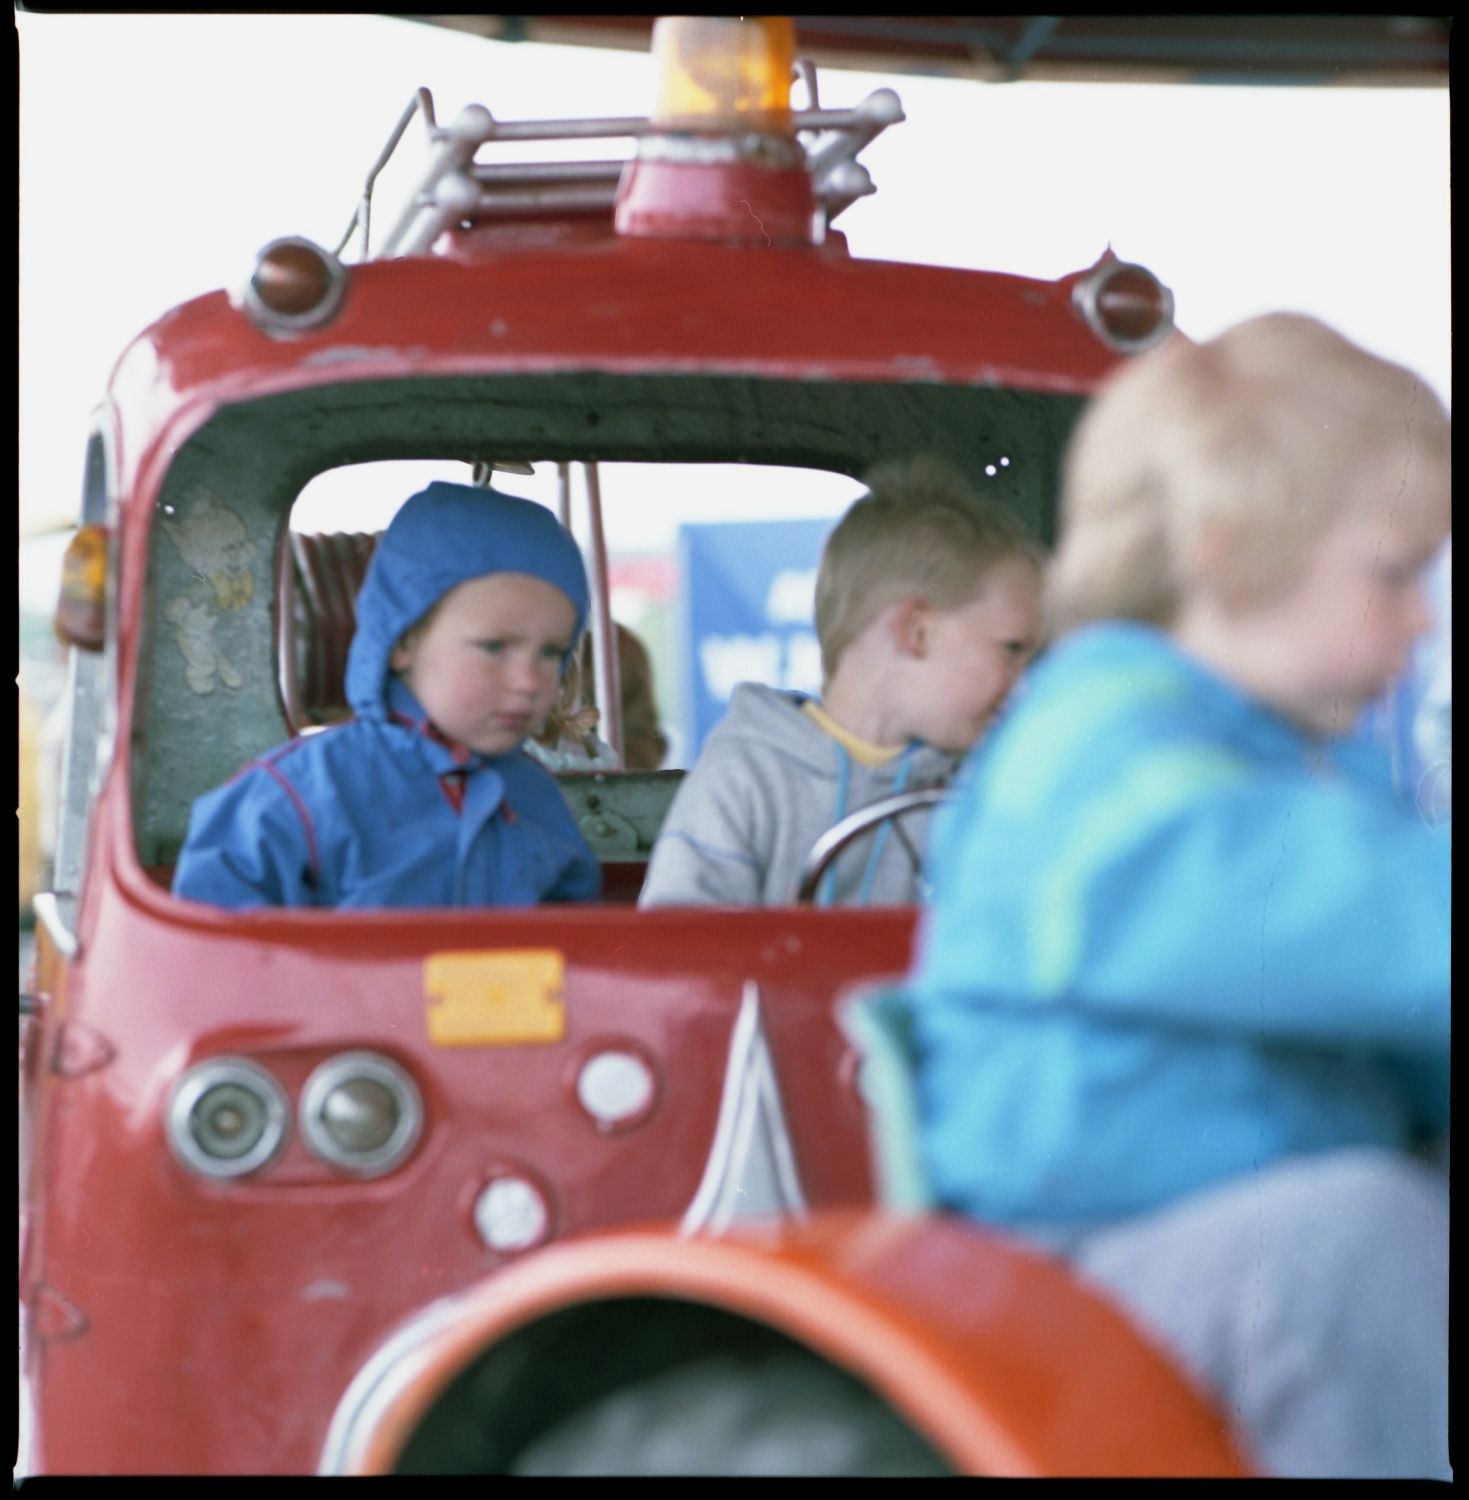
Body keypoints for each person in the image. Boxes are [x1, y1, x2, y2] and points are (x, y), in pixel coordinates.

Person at [906, 315, 1451, 1478]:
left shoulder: (1279, 756)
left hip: (1207, 1227)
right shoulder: (1101, 756)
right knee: (1351, 1242)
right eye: (1393, 574)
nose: (1420, 621)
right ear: (1226, 547)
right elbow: (1348, 920)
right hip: (1079, 1269)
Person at [172, 482, 602, 909]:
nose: (529, 680)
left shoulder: (536, 799)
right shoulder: (291, 799)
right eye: (494, 647)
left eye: (551, 652)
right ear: (402, 642)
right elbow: (208, 955)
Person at [640, 457, 1044, 908]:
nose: (1024, 683)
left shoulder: (978, 787)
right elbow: (680, 952)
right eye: (1011, 650)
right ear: (915, 631)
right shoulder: (747, 775)